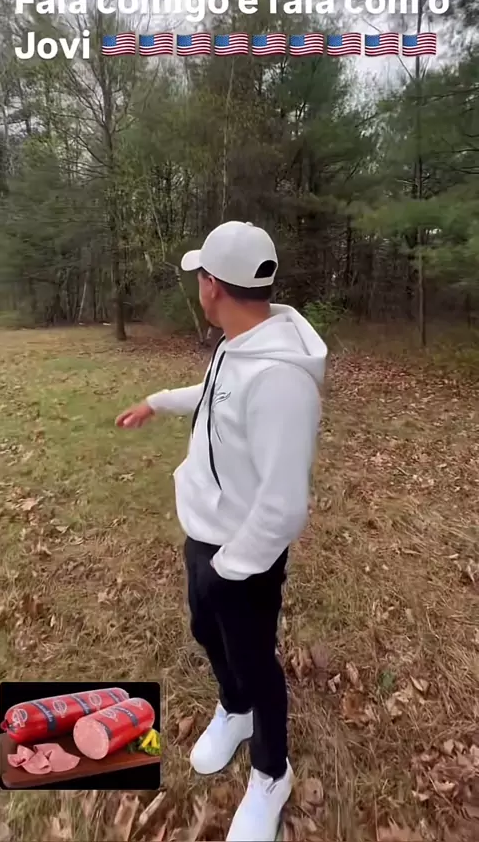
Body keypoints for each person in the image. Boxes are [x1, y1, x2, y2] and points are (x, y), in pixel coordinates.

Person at [116, 221, 327, 842]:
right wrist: (159, 400)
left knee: (257, 663)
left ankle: (271, 773)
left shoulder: (281, 379)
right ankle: (234, 711)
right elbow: (214, 396)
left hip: (244, 556)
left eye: (199, 278)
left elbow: (284, 508)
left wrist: (229, 568)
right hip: (207, 536)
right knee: (207, 632)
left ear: (212, 285)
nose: (198, 287)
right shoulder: (237, 344)